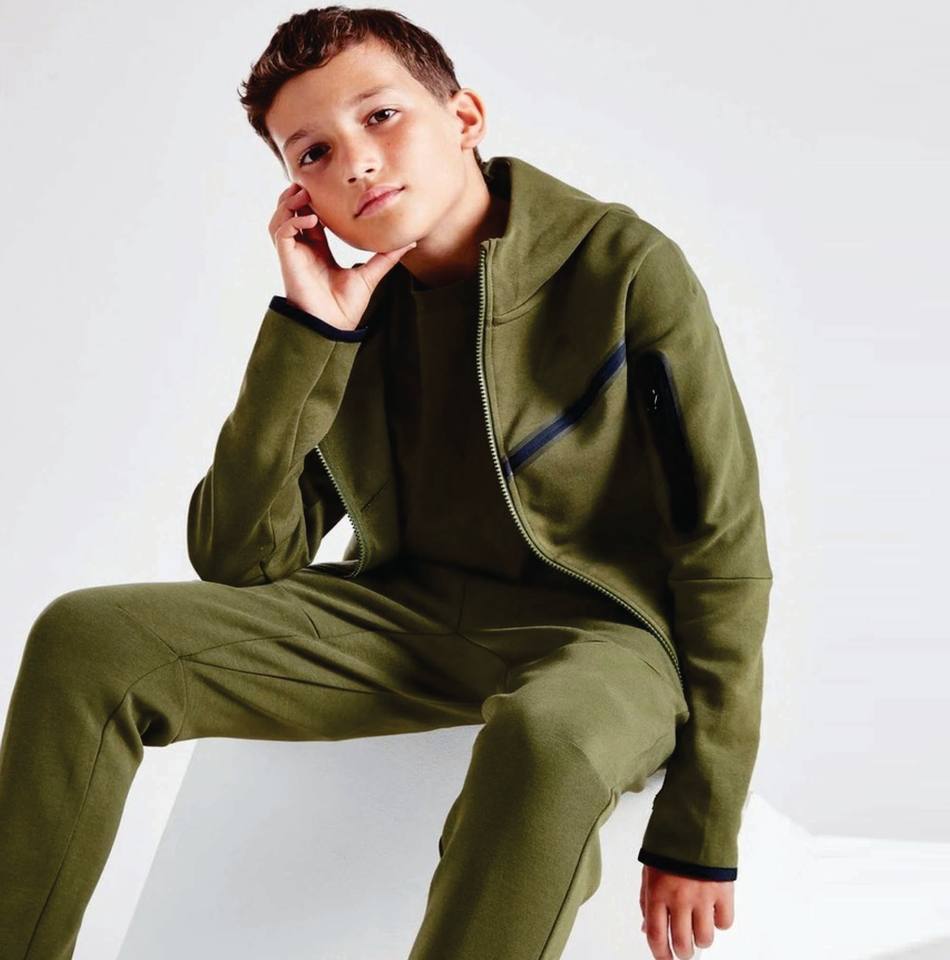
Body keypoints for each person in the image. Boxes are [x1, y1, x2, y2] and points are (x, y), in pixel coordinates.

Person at [0, 6, 773, 960]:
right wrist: (311, 332)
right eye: (313, 153)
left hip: (605, 634)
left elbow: (722, 545)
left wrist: (703, 824)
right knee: (86, 638)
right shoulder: (353, 309)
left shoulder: (622, 266)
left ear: (464, 117)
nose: (357, 163)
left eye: (380, 116)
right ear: (298, 194)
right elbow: (238, 557)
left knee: (547, 737)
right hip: (405, 617)